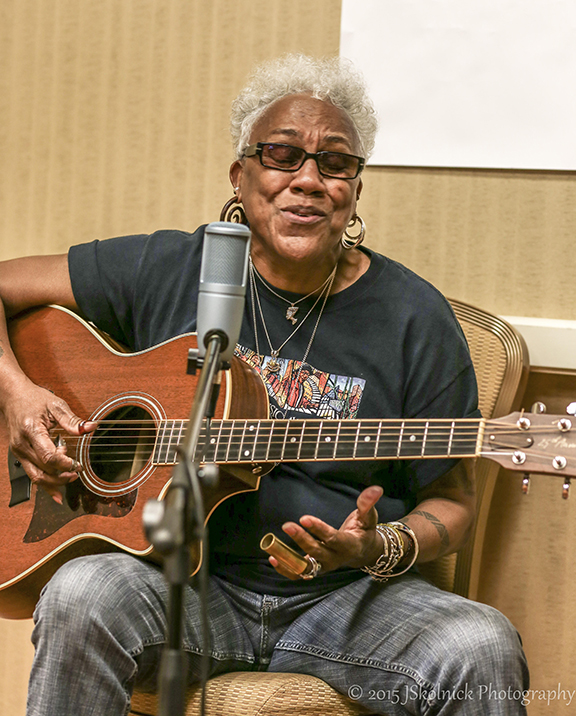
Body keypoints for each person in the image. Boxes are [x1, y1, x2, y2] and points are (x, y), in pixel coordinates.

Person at [0, 54, 528, 715]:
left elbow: (453, 499)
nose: (308, 180)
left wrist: (379, 546)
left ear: (355, 191)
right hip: (185, 590)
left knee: (482, 644)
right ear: (241, 175)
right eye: (282, 154)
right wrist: (17, 394)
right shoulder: (168, 267)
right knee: (80, 595)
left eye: (335, 163)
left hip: (343, 602)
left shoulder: (414, 318)